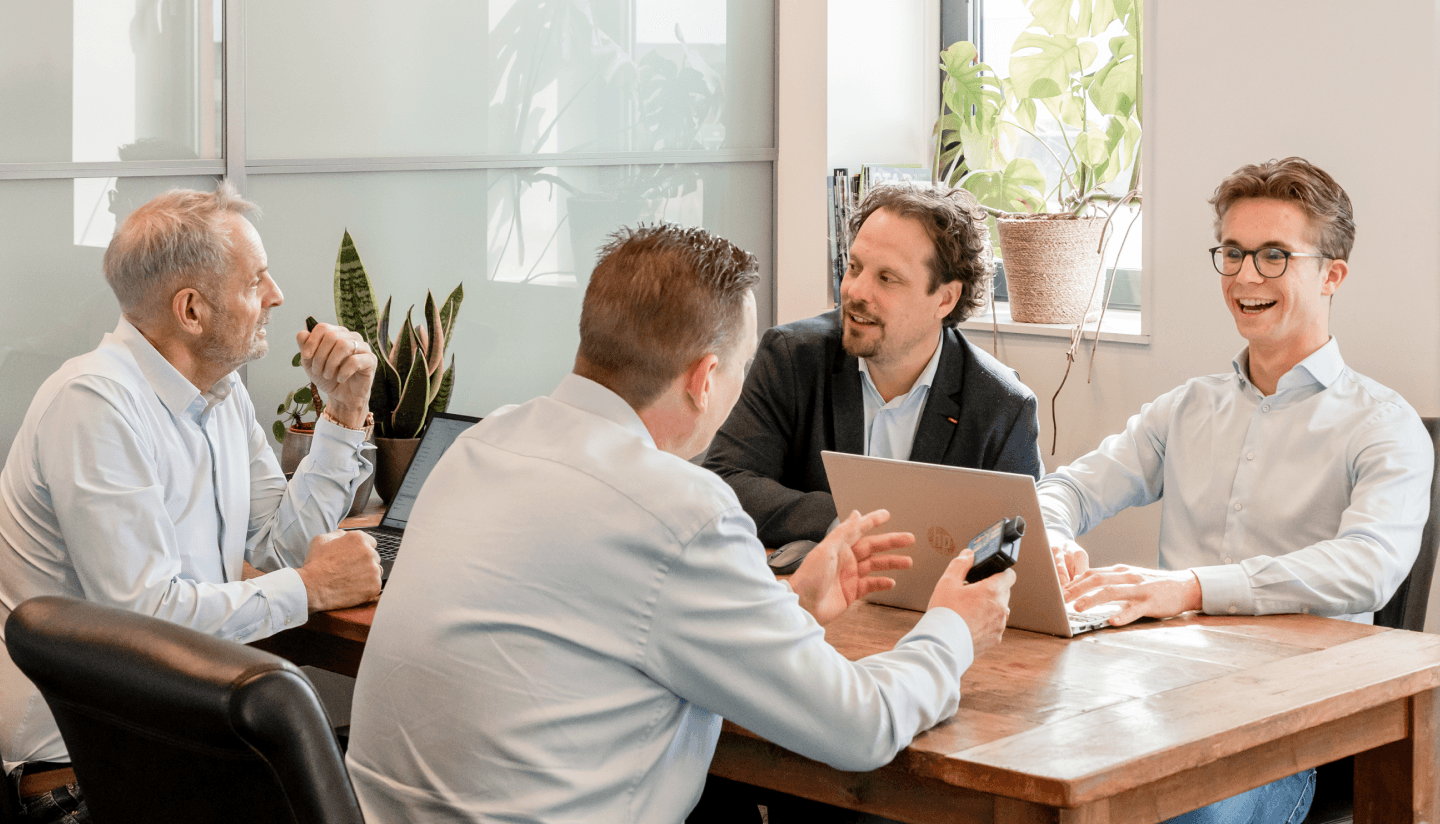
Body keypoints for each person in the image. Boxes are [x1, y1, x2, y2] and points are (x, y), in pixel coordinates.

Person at [344, 224, 1016, 824]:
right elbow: (860, 727)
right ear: (705, 378)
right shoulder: (679, 508)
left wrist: (792, 603)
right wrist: (954, 627)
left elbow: (608, 615)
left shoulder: (480, 446)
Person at [1043, 157, 1433, 824]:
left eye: (1275, 255)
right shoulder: (1186, 408)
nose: (1246, 276)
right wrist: (1048, 535)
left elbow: (1368, 569)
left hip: (1291, 730)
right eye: (1232, 253)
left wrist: (1192, 588)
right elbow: (1069, 489)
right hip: (1159, 696)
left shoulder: (1383, 425)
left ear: (1332, 274)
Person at [0, 183, 384, 822]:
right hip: (83, 781)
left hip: (180, 737)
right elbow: (147, 619)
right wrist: (311, 589)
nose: (276, 295)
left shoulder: (221, 393)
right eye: (255, 279)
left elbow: (276, 545)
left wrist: (343, 415)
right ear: (192, 310)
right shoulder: (94, 404)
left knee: (376, 775)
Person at [704, 183, 1043, 549]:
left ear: (945, 298)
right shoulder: (792, 358)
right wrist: (845, 523)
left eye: (887, 278)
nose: (855, 291)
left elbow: (1015, 547)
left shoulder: (1003, 407)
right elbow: (725, 481)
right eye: (854, 267)